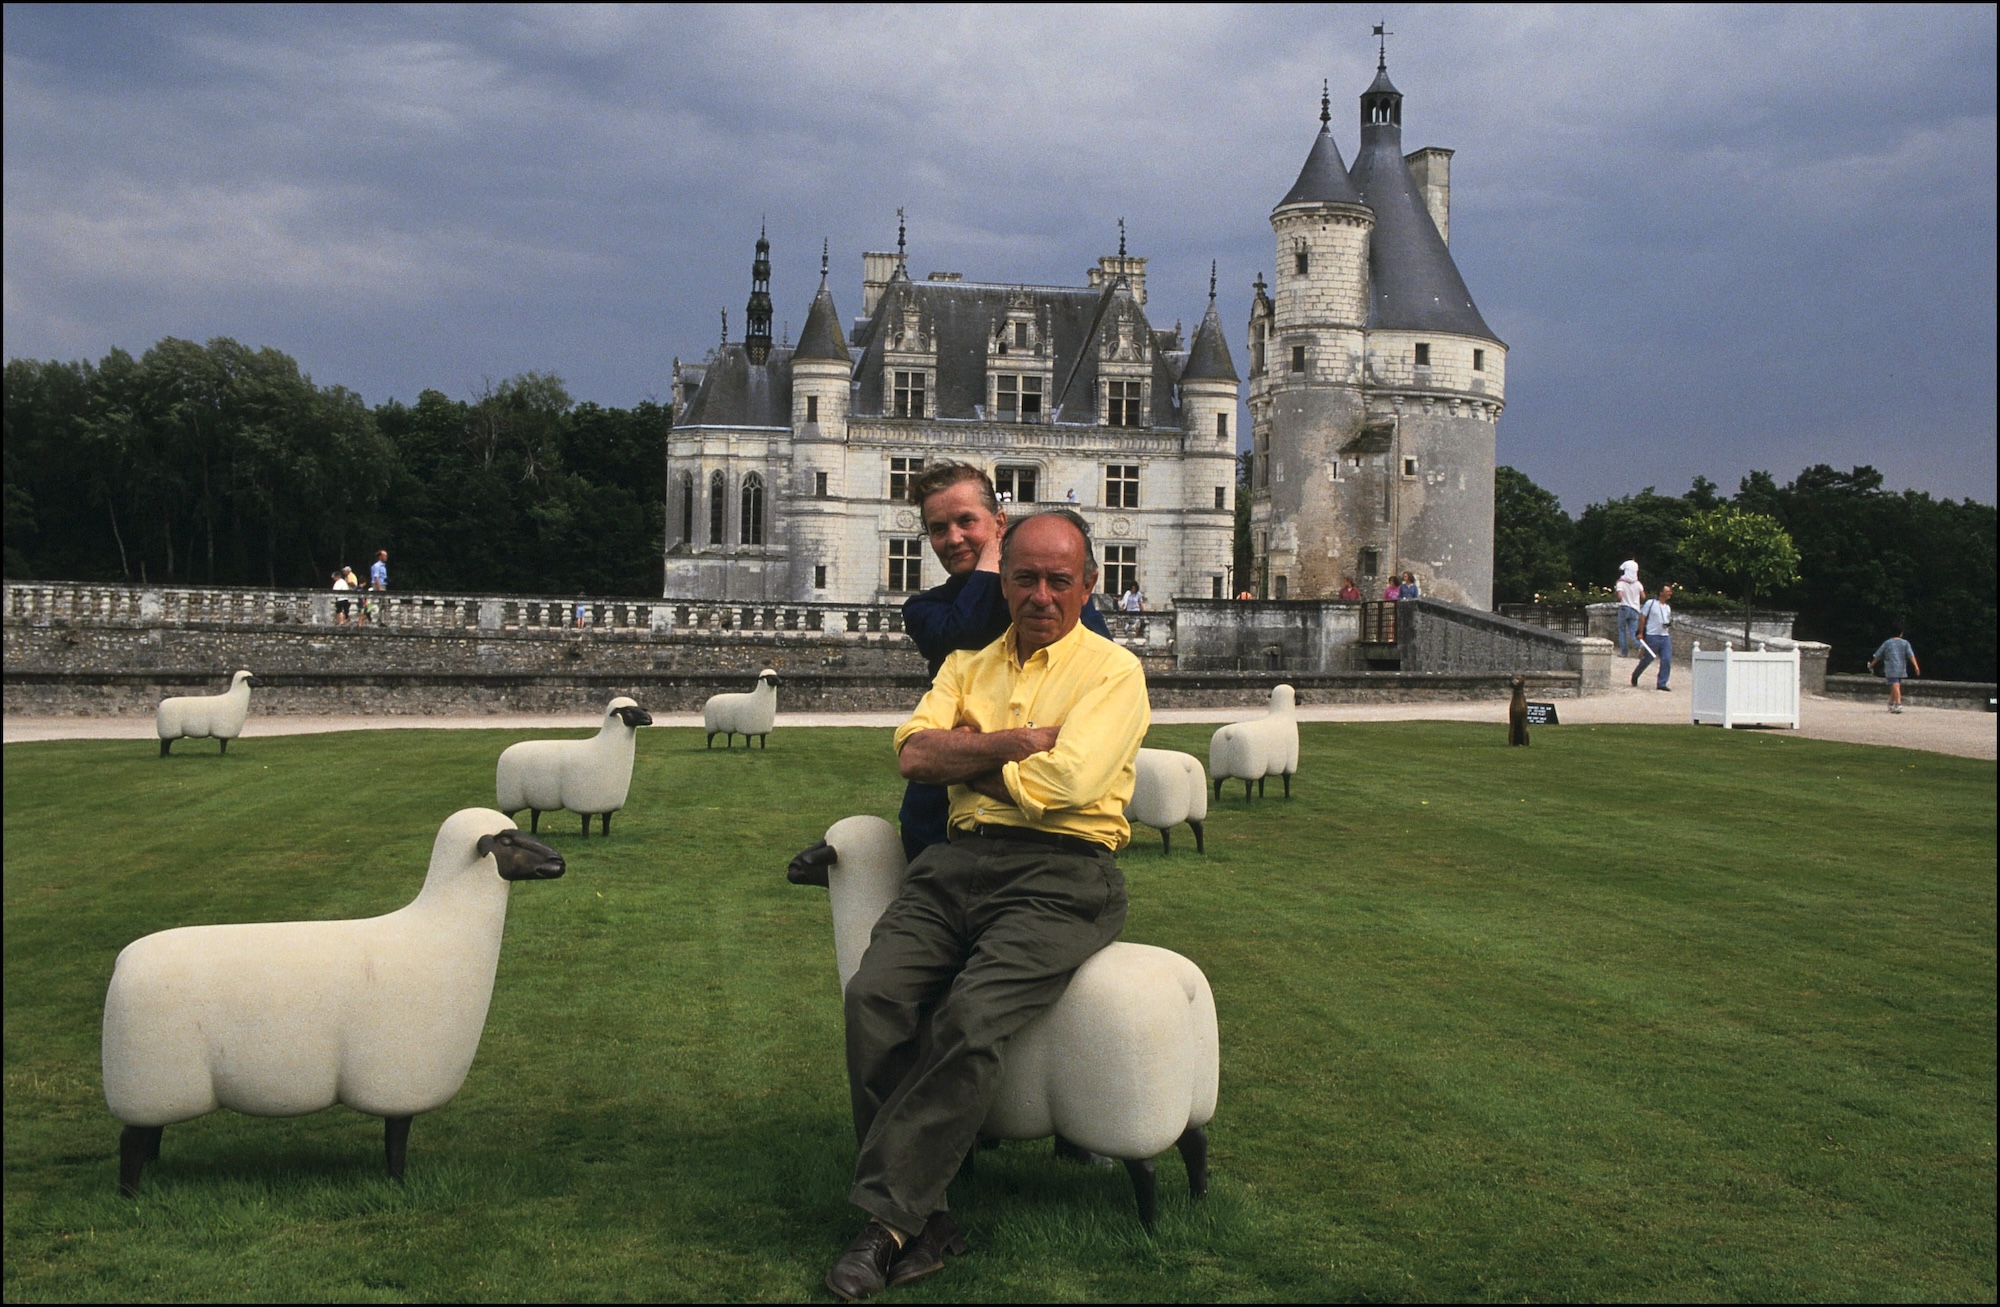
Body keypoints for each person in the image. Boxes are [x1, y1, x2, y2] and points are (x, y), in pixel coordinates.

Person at [825, 508, 1148, 1301]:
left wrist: (964, 756)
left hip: (1064, 875)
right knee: (873, 999)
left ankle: (888, 1225)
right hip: (955, 864)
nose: (1041, 595)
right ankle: (928, 1211)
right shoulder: (968, 665)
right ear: (1002, 584)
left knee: (969, 1017)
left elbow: (1067, 785)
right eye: (1025, 578)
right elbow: (912, 755)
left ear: (1089, 585)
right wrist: (1014, 744)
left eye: (1059, 580)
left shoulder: (1114, 672)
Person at [899, 464, 1110, 863]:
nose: (953, 538)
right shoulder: (923, 608)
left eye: (966, 521)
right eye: (938, 529)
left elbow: (1098, 660)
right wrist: (993, 561)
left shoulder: (1043, 597)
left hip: (1030, 821)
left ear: (999, 522)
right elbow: (962, 634)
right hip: (940, 817)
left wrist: (964, 750)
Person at [1868, 627, 1921, 713]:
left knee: (1895, 685)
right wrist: (1916, 666)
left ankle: (1898, 704)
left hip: (1891, 667)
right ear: (1901, 633)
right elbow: (1911, 655)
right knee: (1895, 685)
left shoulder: (1887, 643)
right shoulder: (1905, 643)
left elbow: (1878, 655)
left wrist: (1871, 665)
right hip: (1901, 668)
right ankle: (1891, 704)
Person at [1631, 583, 1674, 690]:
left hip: (1664, 636)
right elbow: (1643, 618)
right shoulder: (1650, 603)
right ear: (1661, 593)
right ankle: (1636, 674)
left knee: (1666, 659)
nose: (1670, 593)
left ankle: (1662, 683)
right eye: (1667, 591)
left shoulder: (1667, 607)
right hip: (1652, 635)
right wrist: (1641, 633)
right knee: (1647, 659)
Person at [1614, 560, 1644, 657]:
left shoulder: (1621, 583)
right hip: (1635, 609)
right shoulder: (1638, 584)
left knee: (1622, 630)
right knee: (1633, 631)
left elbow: (1620, 596)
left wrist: (1617, 591)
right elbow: (1643, 596)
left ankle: (1624, 652)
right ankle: (1640, 645)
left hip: (1624, 608)